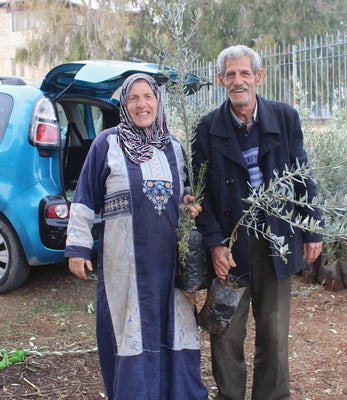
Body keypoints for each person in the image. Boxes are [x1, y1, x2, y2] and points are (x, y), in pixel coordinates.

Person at [65, 73, 209, 400]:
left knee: (174, 326)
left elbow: (185, 194)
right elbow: (85, 196)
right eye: (134, 98)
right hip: (123, 265)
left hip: (169, 265)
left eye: (148, 97)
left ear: (158, 102)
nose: (142, 104)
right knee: (128, 329)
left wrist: (189, 204)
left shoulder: (174, 148)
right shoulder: (107, 144)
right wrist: (78, 247)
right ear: (124, 104)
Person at [192, 45, 323, 400]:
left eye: (245, 73)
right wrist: (215, 244)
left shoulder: (285, 118)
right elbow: (200, 196)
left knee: (274, 334)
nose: (238, 81)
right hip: (230, 252)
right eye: (230, 74)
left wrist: (312, 229)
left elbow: (301, 176)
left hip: (275, 245)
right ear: (221, 80)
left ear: (258, 77)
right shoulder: (206, 129)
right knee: (225, 334)